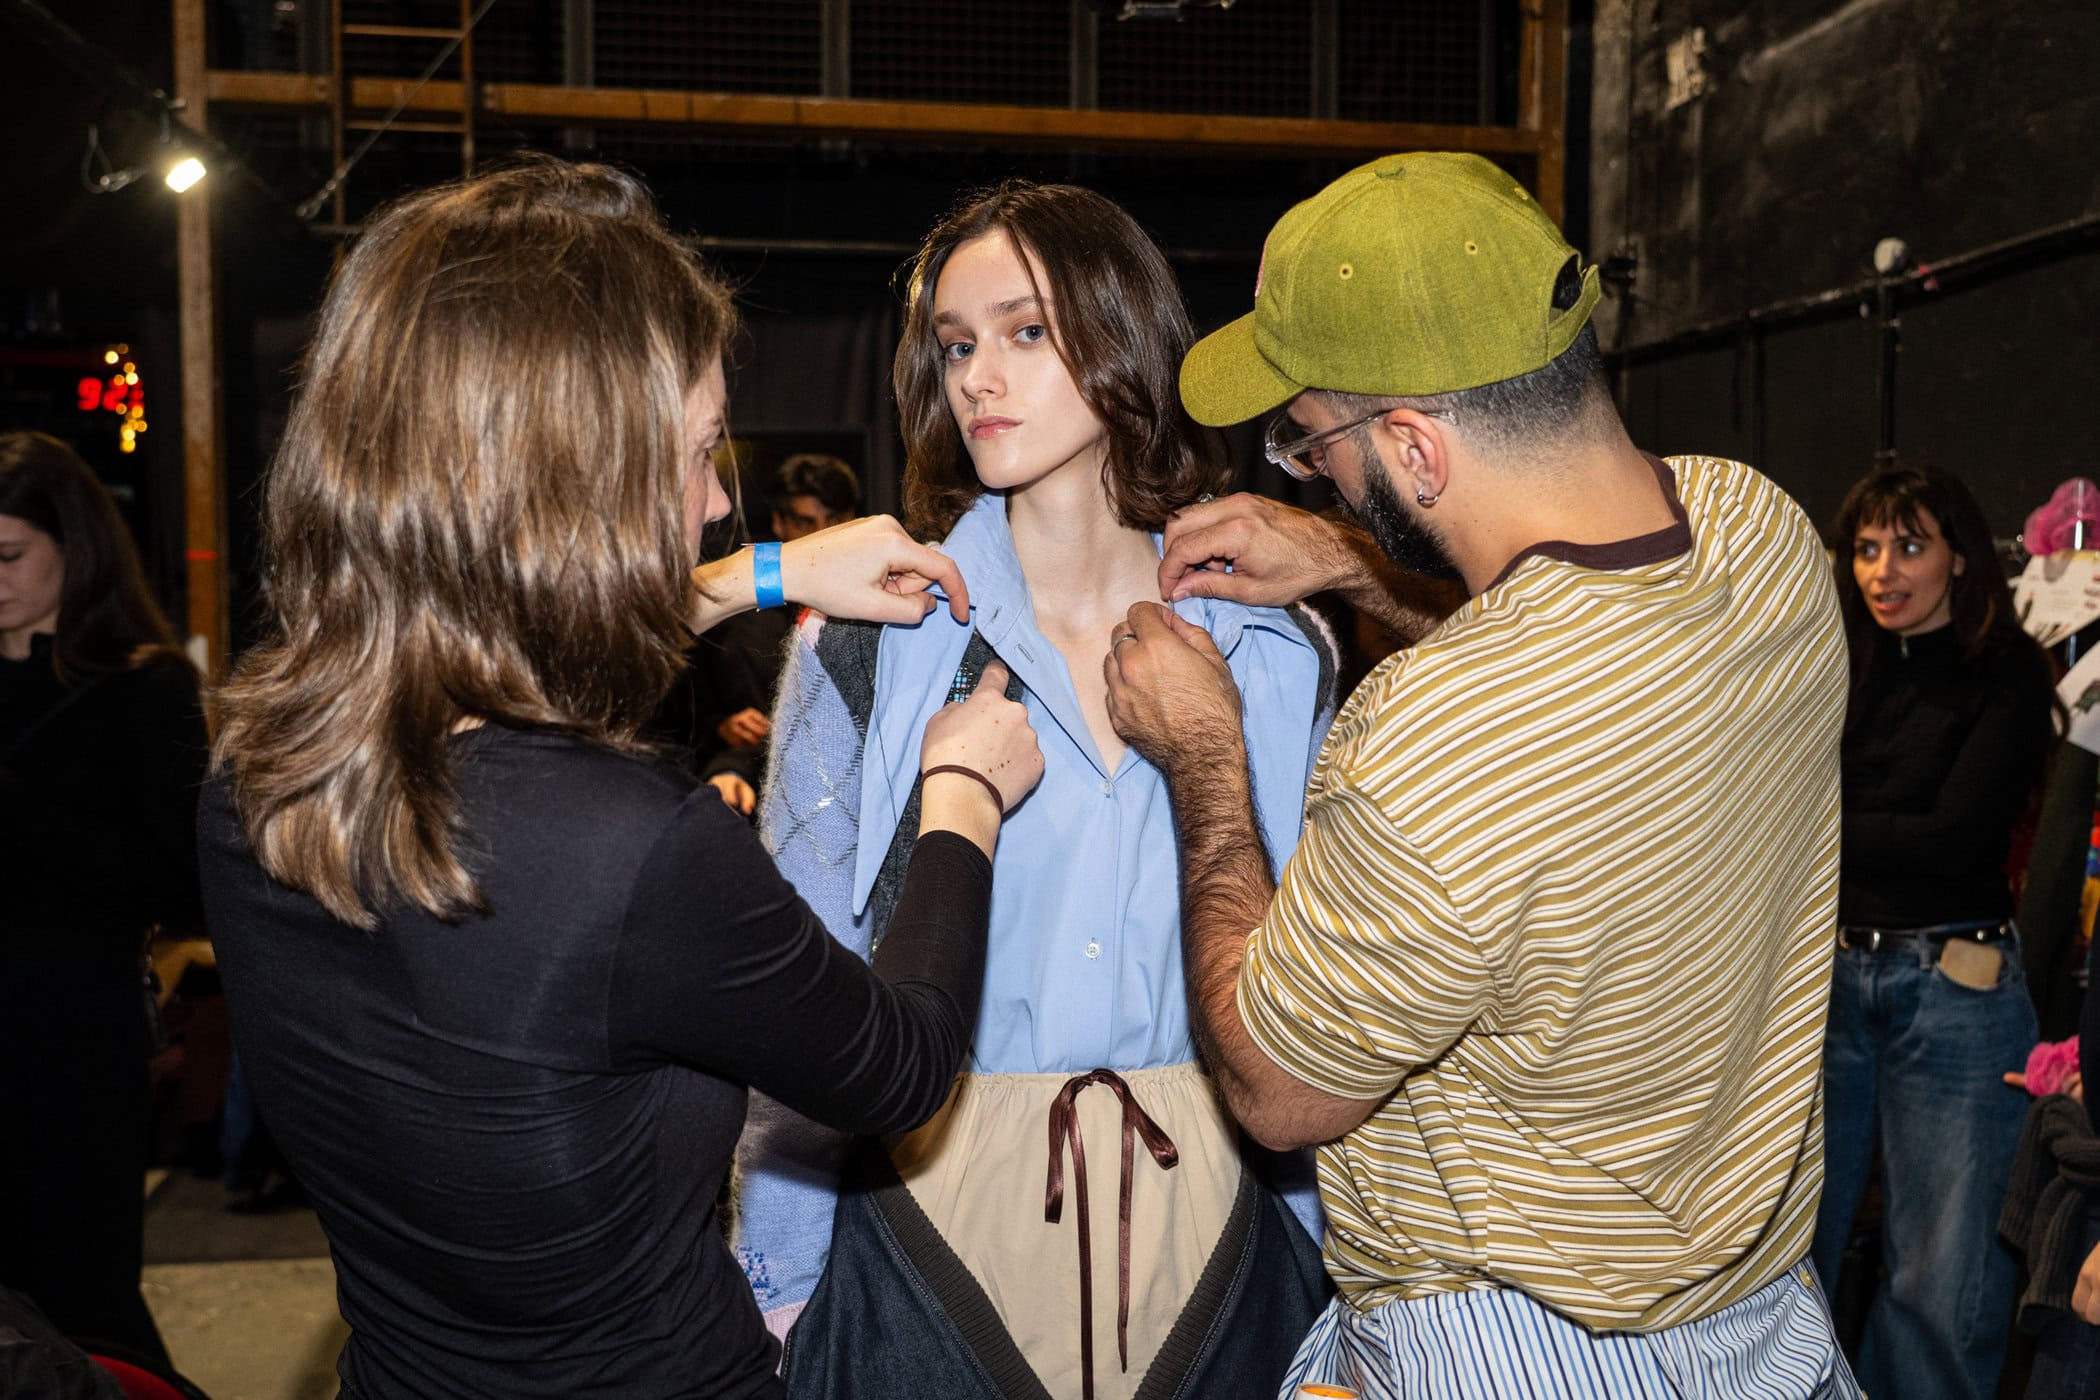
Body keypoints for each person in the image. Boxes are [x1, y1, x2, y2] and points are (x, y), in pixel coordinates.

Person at [198, 157, 1043, 1400]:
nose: (712, 506)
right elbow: (899, 1064)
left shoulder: (253, 775)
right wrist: (961, 795)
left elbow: (496, 656)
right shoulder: (632, 851)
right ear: (565, 482)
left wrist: (766, 572)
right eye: (700, 453)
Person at [1101, 151, 1862, 1397]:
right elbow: (1565, 681)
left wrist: (1205, 761)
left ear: (1414, 444)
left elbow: (1276, 1087)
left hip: (1513, 1351)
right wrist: (1355, 561)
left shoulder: (1423, 740)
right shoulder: (1765, 534)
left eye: (1308, 445)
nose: (1311, 471)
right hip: (1765, 1322)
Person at [733, 181, 1381, 1400]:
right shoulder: (863, 648)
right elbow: (799, 1020)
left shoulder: (1278, 650)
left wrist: (1342, 1294)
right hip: (932, 1225)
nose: (981, 375)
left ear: (1121, 334)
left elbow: (1322, 1001)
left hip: (1223, 1233)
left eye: (1027, 332)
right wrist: (779, 1298)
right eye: (958, 344)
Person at [1808, 464, 2057, 1400]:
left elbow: (1952, 842)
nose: (1884, 570)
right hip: (1828, 983)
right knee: (1792, 1256)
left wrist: (1814, 816)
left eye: (1910, 546)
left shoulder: (2009, 673)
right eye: (1867, 548)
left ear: (1960, 559)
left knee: (1941, 1287)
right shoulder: (1838, 665)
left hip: (1958, 988)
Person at [0, 430, 204, 1364]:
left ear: (74, 549)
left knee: (84, 1301)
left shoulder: (144, 689)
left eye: (8, 556)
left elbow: (185, 881)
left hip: (76, 1034)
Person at [695, 453, 866, 817]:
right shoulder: (737, 614)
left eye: (833, 520)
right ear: (779, 522)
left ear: (852, 520)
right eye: (806, 522)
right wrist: (720, 726)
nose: (820, 535)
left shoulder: (879, 607)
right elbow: (683, 703)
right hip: (752, 796)